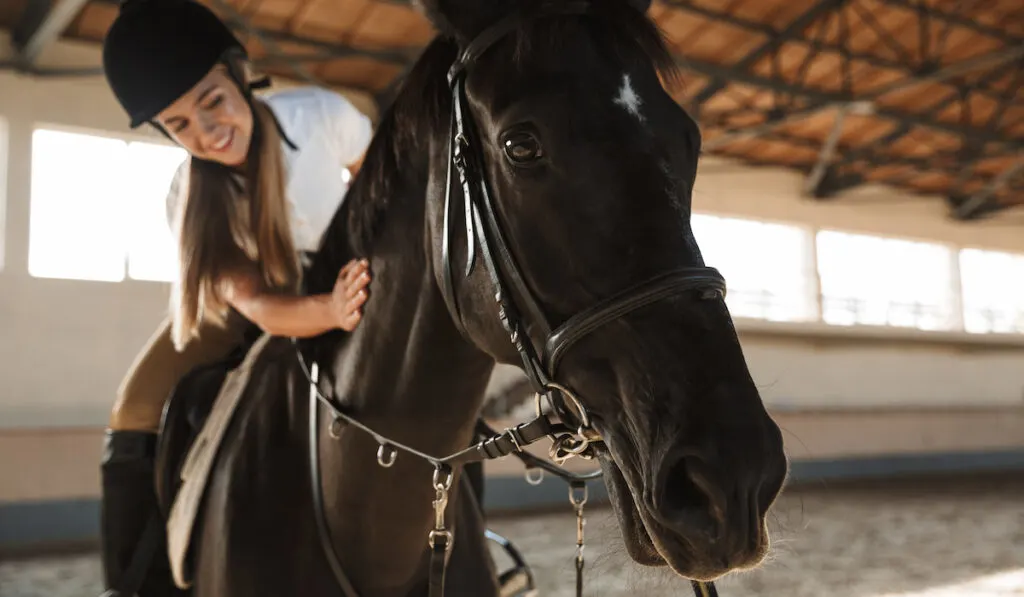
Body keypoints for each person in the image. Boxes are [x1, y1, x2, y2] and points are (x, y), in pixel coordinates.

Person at [98, 0, 373, 593]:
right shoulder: (186, 199)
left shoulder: (320, 116)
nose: (206, 132)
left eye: (212, 102)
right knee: (136, 405)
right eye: (180, 126)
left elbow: (377, 181)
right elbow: (257, 306)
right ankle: (136, 581)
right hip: (259, 306)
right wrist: (326, 311)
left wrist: (371, 275)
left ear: (238, 76)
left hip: (348, 274)